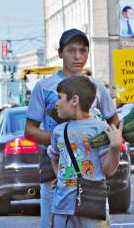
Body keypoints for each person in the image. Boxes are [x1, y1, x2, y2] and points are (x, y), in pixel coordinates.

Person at [25, 28, 119, 228]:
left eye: (83, 51)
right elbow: (30, 130)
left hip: (91, 175)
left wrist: (113, 143)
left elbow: (114, 123)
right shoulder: (44, 87)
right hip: (55, 172)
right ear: (60, 53)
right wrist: (64, 139)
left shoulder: (96, 87)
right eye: (71, 50)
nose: (78, 56)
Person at [48, 75, 123, 227]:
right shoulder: (58, 132)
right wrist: (62, 176)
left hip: (92, 206)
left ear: (74, 100)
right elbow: (54, 157)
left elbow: (108, 170)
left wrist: (115, 148)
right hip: (62, 207)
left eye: (60, 98)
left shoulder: (100, 129)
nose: (56, 103)